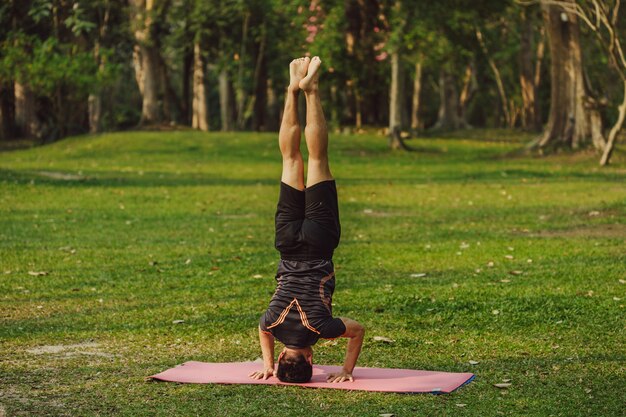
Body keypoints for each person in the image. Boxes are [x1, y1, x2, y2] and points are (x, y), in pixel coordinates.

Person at [249, 56, 365, 384]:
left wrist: (346, 370)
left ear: (311, 359)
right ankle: (291, 89)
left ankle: (311, 91)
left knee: (317, 158)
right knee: (290, 158)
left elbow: (357, 332)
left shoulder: (322, 330)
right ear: (285, 356)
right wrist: (268, 364)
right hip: (286, 244)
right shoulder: (271, 322)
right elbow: (262, 330)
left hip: (319, 243)